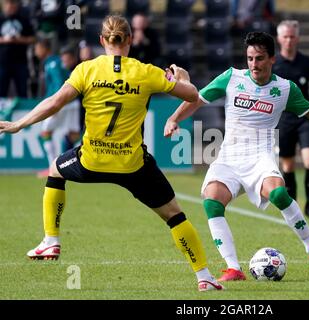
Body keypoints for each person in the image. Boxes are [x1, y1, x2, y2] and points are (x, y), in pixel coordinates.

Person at [0, 15, 223, 292]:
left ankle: (51, 240)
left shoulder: (87, 70)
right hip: (132, 165)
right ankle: (204, 276)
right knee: (174, 215)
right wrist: (183, 77)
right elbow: (192, 95)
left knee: (56, 171)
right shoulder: (146, 72)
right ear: (130, 40)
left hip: (91, 160)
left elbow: (55, 101)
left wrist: (20, 124)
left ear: (102, 40)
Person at [164, 32, 309, 281]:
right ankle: (233, 268)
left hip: (260, 156)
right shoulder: (232, 77)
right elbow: (196, 100)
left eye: (260, 58)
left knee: (278, 193)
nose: (254, 64)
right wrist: (174, 118)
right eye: (250, 58)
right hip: (229, 157)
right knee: (212, 202)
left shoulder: (285, 88)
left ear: (272, 59)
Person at [272, 20, 309, 220]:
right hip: (283, 119)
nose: (289, 40)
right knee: (287, 166)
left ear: (298, 38)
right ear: (279, 39)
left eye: (292, 36)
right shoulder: (274, 64)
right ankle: (294, 208)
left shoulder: (308, 63)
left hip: (305, 117)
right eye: (285, 36)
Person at [34, 39, 80, 178]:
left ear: (44, 48)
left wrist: (54, 104)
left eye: (37, 48)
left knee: (45, 132)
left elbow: (59, 83)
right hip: (73, 102)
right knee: (74, 134)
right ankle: (77, 165)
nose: (36, 52)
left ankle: (52, 168)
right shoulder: (59, 61)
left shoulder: (52, 63)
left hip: (61, 103)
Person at [0, 0, 35, 98]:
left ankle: (25, 113)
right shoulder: (1, 19)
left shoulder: (24, 19)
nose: (10, 6)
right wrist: (5, 39)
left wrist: (19, 39)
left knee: (22, 91)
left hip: (20, 62)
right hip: (2, 62)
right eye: (7, 4)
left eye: (12, 4)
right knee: (1, 91)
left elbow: (33, 38)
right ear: (3, 5)